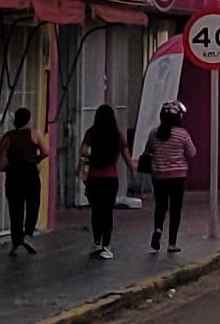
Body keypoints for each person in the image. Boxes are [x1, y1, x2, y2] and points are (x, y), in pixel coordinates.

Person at [139, 102, 198, 256]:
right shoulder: (182, 134)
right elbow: (191, 153)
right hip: (177, 177)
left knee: (161, 206)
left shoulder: (153, 134)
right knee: (175, 209)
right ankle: (172, 243)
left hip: (158, 176)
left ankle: (158, 229)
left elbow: (148, 151)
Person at [80, 102, 128, 261]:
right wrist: (133, 169)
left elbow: (84, 151)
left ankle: (96, 242)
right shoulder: (117, 134)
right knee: (107, 212)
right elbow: (125, 152)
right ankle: (107, 245)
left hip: (94, 177)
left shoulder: (91, 132)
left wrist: (89, 157)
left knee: (96, 211)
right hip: (110, 177)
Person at [0, 108, 45, 254]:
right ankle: (28, 235)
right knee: (33, 204)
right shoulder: (34, 134)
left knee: (15, 208)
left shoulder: (8, 136)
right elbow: (46, 151)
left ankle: (16, 244)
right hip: (30, 172)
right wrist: (36, 159)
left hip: (13, 173)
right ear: (28, 119)